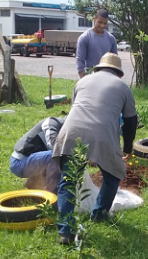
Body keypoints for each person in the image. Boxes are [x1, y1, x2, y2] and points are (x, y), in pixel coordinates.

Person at [52, 53, 138, 245]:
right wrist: (128, 148)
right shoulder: (122, 87)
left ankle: (65, 232)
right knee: (113, 175)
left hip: (70, 132)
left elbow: (78, 109)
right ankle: (99, 214)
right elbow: (131, 121)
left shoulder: (82, 81)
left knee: (67, 182)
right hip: (103, 136)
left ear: (98, 68)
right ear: (119, 73)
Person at [10, 116, 65, 193]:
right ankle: (52, 195)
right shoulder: (52, 123)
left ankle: (34, 182)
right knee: (54, 156)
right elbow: (54, 147)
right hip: (19, 162)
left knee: (60, 158)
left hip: (33, 161)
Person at [76, 9, 118, 78]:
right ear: (95, 19)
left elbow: (114, 60)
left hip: (107, 77)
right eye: (100, 22)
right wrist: (83, 79)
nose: (102, 25)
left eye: (105, 23)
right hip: (90, 77)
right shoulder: (85, 37)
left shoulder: (111, 39)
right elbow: (80, 60)